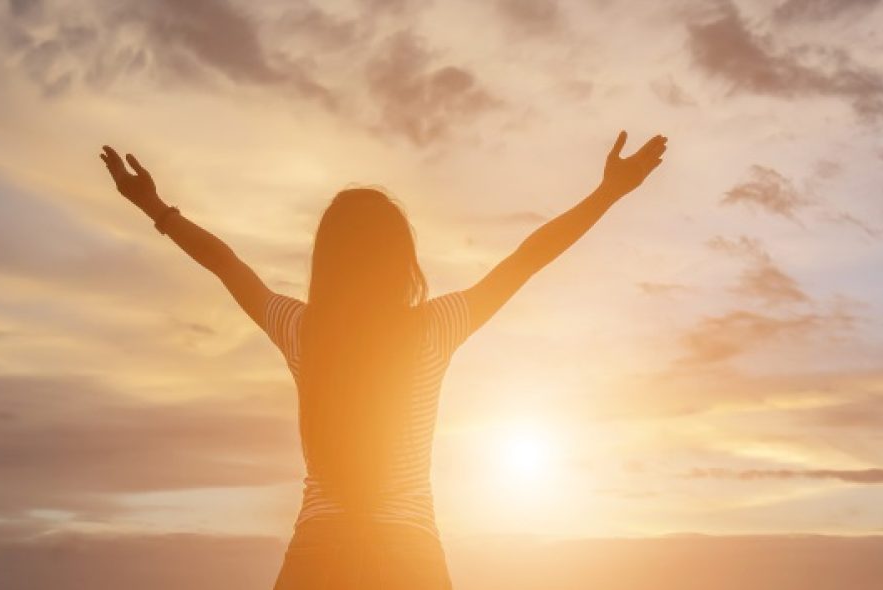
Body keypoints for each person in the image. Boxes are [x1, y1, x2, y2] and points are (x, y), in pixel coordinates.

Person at [99, 130, 666, 589]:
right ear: (400, 260)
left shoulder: (302, 330)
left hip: (317, 558)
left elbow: (226, 264)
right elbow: (526, 259)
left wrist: (153, 205)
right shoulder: (435, 328)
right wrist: (608, 193)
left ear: (328, 261)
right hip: (409, 558)